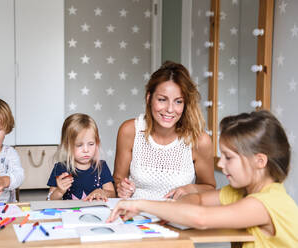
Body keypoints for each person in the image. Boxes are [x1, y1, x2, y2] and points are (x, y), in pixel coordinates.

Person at [108, 110, 298, 247]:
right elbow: (197, 200)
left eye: (228, 158)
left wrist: (140, 204)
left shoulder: (266, 203)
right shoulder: (240, 193)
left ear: (259, 161)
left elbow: (201, 218)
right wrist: (178, 207)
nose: (221, 164)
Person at [113, 61, 215, 200]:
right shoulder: (130, 131)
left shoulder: (199, 140)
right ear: (149, 98)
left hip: (177, 218)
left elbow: (209, 187)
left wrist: (191, 188)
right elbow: (118, 180)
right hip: (135, 217)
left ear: (185, 104)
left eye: (178, 101)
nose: (170, 109)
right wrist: (121, 188)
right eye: (162, 99)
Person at [47, 113, 116, 201]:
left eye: (91, 144)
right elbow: (49, 200)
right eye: (79, 145)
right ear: (67, 145)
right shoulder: (60, 168)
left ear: (97, 143)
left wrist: (102, 192)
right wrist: (59, 191)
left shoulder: (101, 166)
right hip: (70, 214)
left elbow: (112, 194)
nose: (86, 150)